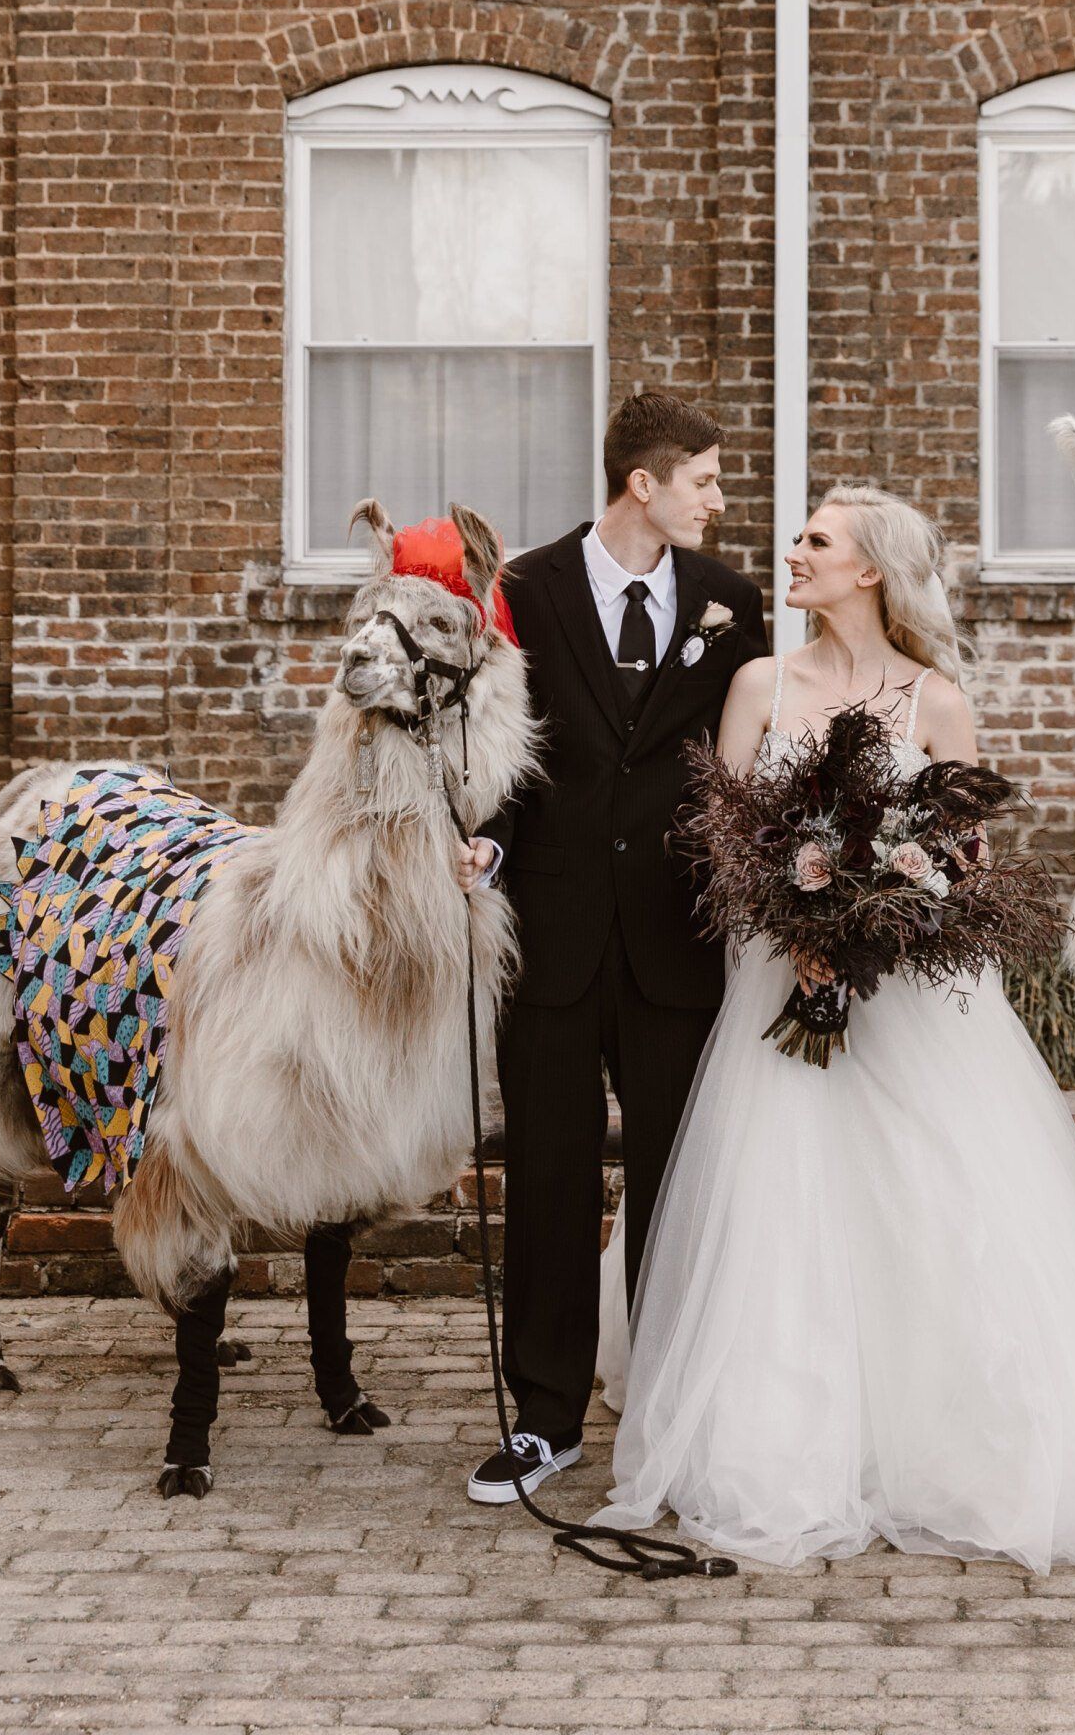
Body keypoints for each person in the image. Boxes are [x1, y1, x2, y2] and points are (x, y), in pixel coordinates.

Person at [593, 484, 1075, 1572]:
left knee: (934, 1198)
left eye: (815, 540)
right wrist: (796, 927)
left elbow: (966, 870)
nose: (795, 552)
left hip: (910, 1011)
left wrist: (874, 933)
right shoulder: (759, 684)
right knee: (782, 1207)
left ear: (868, 569)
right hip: (776, 995)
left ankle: (946, 1441)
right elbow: (719, 843)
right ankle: (783, 1442)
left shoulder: (937, 703)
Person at [461, 389, 769, 1505]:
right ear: (644, 483)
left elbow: (747, 773)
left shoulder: (731, 604)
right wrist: (483, 850)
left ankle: (672, 1411)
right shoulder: (525, 591)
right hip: (548, 933)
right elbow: (501, 745)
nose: (720, 501)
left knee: (674, 1185)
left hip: (676, 940)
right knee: (545, 1178)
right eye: (706, 480)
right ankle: (544, 1419)